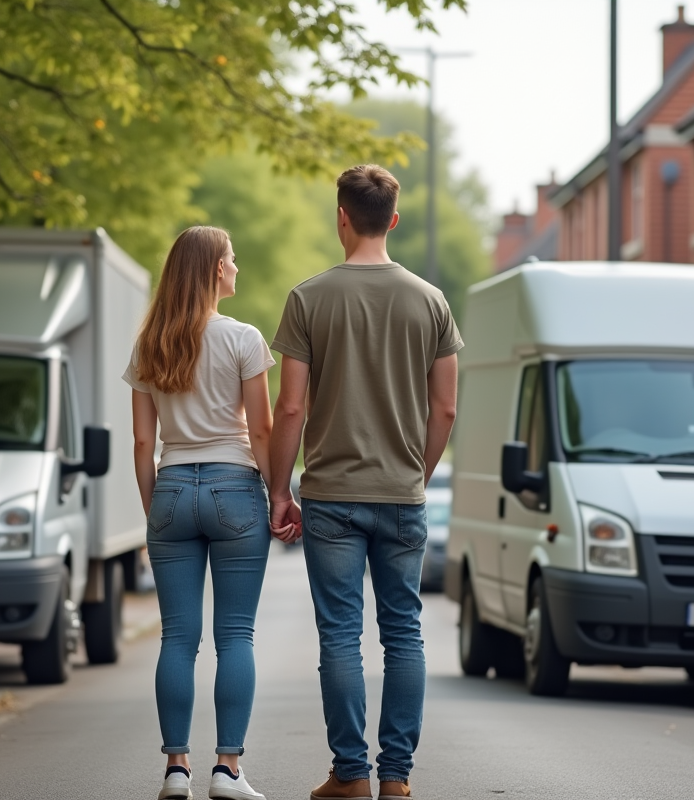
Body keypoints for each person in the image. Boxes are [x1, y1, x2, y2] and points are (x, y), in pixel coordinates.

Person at [268, 165, 462, 800]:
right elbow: (446, 410)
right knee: (404, 631)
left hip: (332, 497)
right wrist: (418, 474)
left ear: (342, 217)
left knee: (341, 635)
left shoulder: (308, 298)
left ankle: (350, 774)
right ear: (394, 220)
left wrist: (280, 490)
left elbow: (290, 408)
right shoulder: (430, 300)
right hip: (402, 495)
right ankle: (396, 779)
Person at [125, 226, 290, 800]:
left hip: (171, 487)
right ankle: (227, 770)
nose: (238, 267)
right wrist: (278, 494)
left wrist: (155, 510)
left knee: (177, 638)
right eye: (233, 260)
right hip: (235, 488)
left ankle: (176, 768)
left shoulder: (151, 345)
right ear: (216, 270)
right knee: (235, 635)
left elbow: (143, 446)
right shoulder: (243, 339)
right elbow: (263, 428)